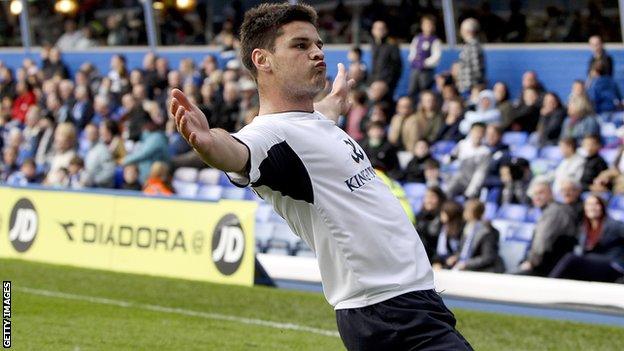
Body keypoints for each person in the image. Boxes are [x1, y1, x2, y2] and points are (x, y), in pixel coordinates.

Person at [169, 3, 472, 349]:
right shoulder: (269, 138)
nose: (316, 53)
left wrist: (334, 102)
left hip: (412, 301)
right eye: (300, 46)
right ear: (262, 60)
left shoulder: (311, 120)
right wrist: (210, 143)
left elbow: (314, 121)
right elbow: (238, 151)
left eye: (318, 45)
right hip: (387, 312)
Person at [549, 194, 624, 282]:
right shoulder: (583, 228)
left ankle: (549, 284)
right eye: (589, 204)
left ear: (602, 207)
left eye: (596, 204)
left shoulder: (614, 225)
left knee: (571, 258)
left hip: (612, 264)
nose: (592, 207)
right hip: (594, 266)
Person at [518, 178, 577, 276]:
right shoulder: (549, 210)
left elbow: (542, 243)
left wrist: (531, 262)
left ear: (551, 194)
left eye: (541, 193)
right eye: (534, 194)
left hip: (550, 267)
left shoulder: (554, 212)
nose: (537, 197)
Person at [451, 199, 505, 273]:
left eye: (466, 210)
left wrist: (466, 264)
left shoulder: (487, 231)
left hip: (484, 269)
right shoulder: (466, 228)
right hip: (467, 266)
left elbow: (488, 257)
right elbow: (463, 250)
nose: (464, 213)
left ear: (473, 213)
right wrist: (456, 257)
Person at [407, 15, 442, 101]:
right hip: (415, 69)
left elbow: (436, 56)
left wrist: (425, 63)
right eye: (426, 25)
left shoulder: (435, 41)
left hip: (426, 71)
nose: (428, 27)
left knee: (425, 90)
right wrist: (413, 59)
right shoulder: (417, 38)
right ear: (422, 26)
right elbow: (412, 51)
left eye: (430, 25)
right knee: (412, 90)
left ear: (434, 27)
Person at [370, 20, 402, 95]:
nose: (379, 31)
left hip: (386, 83)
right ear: (373, 31)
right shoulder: (374, 45)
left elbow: (397, 67)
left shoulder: (392, 45)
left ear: (386, 30)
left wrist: (388, 83)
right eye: (377, 29)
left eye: (381, 29)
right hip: (374, 81)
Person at [432, 201, 465, 270]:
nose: (441, 214)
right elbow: (440, 252)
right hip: (444, 262)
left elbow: (463, 250)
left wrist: (455, 257)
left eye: (443, 212)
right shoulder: (442, 228)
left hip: (458, 263)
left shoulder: (462, 230)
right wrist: (437, 262)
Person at [415, 186, 446, 260]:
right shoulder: (419, 217)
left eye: (432, 197)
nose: (429, 200)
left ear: (440, 199)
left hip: (438, 260)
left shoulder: (444, 218)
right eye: (426, 197)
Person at [457, 18, 485, 94]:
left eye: (462, 30)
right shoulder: (467, 45)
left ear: (468, 32)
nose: (460, 32)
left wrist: (476, 86)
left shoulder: (473, 46)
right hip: (467, 86)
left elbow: (476, 68)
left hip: (472, 88)